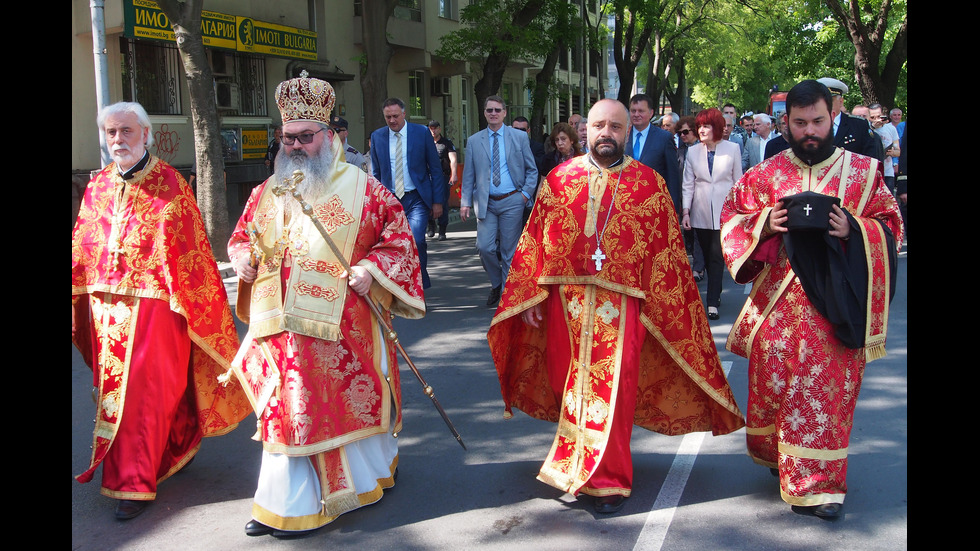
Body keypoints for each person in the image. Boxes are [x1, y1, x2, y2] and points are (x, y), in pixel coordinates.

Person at [488, 99, 744, 515]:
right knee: (565, 385)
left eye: (616, 127)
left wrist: (662, 307)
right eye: (598, 126)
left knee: (613, 389)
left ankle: (605, 480)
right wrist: (529, 294)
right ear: (585, 130)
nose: (606, 133)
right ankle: (577, 461)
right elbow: (534, 241)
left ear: (628, 132)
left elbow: (668, 258)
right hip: (564, 304)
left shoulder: (649, 184)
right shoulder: (558, 180)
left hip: (623, 307)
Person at [228, 73, 425, 537]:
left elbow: (399, 242)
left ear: (330, 136)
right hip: (279, 327)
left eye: (305, 137)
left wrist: (369, 271)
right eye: (287, 137)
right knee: (286, 408)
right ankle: (284, 501)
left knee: (336, 403)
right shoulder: (267, 190)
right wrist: (241, 258)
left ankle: (365, 476)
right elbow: (242, 237)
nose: (294, 145)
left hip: (342, 327)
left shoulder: (365, 190)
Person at [721, 80, 902, 520]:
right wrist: (765, 221)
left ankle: (819, 486)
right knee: (775, 390)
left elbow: (891, 226)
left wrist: (854, 229)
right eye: (799, 123)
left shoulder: (863, 171)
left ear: (831, 116)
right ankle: (781, 456)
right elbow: (732, 218)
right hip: (776, 307)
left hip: (835, 306)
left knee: (825, 395)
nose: (809, 132)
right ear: (786, 123)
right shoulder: (765, 173)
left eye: (817, 121)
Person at [72, 101, 249, 520]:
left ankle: (131, 485)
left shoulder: (171, 185)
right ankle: (169, 450)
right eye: (111, 133)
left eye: (126, 132)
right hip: (106, 311)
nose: (118, 140)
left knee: (144, 397)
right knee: (115, 398)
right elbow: (83, 246)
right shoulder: (97, 186)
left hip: (157, 311)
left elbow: (192, 256)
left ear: (146, 134)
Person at [460, 95, 539, 306]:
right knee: (484, 247)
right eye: (489, 110)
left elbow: (532, 169)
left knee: (508, 250)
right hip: (487, 202)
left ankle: (507, 298)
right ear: (485, 113)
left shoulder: (518, 137)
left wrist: (524, 195)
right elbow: (468, 175)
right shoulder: (475, 141)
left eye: (497, 110)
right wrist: (465, 202)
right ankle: (496, 283)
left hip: (513, 200)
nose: (493, 113)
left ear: (504, 113)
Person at [370, 98, 446, 289]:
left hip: (416, 197)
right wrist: (377, 202)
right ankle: (401, 284)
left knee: (417, 239)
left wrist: (438, 201)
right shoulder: (378, 136)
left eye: (395, 116)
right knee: (393, 244)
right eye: (388, 117)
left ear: (404, 114)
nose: (392, 120)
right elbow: (376, 173)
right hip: (391, 199)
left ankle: (419, 285)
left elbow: (435, 169)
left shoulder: (420, 133)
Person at [681, 107, 743, 320]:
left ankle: (712, 301)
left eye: (706, 126)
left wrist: (739, 211)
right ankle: (714, 295)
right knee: (706, 256)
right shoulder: (692, 152)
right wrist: (686, 212)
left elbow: (738, 182)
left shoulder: (732, 148)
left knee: (717, 257)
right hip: (700, 211)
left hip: (724, 211)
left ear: (716, 127)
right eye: (699, 126)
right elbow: (688, 184)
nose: (701, 130)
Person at [626, 94, 682, 212]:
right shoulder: (621, 136)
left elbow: (672, 175)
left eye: (641, 111)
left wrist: (673, 209)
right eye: (633, 111)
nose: (636, 114)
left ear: (651, 113)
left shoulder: (664, 138)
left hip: (654, 205)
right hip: (626, 204)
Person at [816, 77, 880, 161]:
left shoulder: (859, 125)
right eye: (820, 100)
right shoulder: (807, 126)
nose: (825, 104)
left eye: (830, 100)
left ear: (841, 102)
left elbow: (871, 159)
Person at [427, 120, 458, 240]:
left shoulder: (446, 143)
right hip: (428, 177)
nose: (433, 131)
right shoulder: (426, 143)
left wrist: (454, 174)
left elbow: (453, 159)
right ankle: (430, 225)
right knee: (428, 202)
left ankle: (442, 230)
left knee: (442, 202)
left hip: (442, 177)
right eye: (431, 128)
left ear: (439, 129)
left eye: (435, 128)